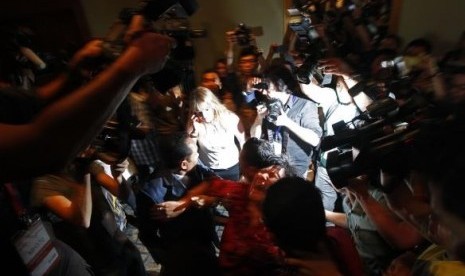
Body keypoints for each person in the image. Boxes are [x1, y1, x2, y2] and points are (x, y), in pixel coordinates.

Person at [0, 31, 172, 274]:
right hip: (98, 258)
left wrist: (118, 172)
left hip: (119, 243)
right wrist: (133, 65)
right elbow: (81, 218)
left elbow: (121, 193)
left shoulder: (78, 164)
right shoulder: (45, 180)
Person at [136, 132, 220, 276]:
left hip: (205, 239)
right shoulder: (150, 192)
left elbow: (216, 182)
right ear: (183, 164)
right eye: (196, 153)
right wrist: (168, 259)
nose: (199, 155)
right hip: (179, 253)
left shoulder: (196, 166)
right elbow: (147, 234)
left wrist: (185, 203)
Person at [250, 61, 323, 177]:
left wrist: (287, 122)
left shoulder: (305, 105)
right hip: (274, 164)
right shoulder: (269, 103)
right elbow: (254, 137)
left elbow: (315, 140)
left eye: (269, 85)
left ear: (281, 84)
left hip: (295, 168)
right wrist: (259, 118)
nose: (267, 90)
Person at [188, 86, 245, 181]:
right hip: (208, 170)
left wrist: (244, 169)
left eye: (207, 109)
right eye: (199, 112)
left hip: (232, 167)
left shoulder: (230, 118)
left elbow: (243, 142)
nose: (204, 116)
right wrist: (194, 131)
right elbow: (190, 149)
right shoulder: (194, 122)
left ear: (213, 104)